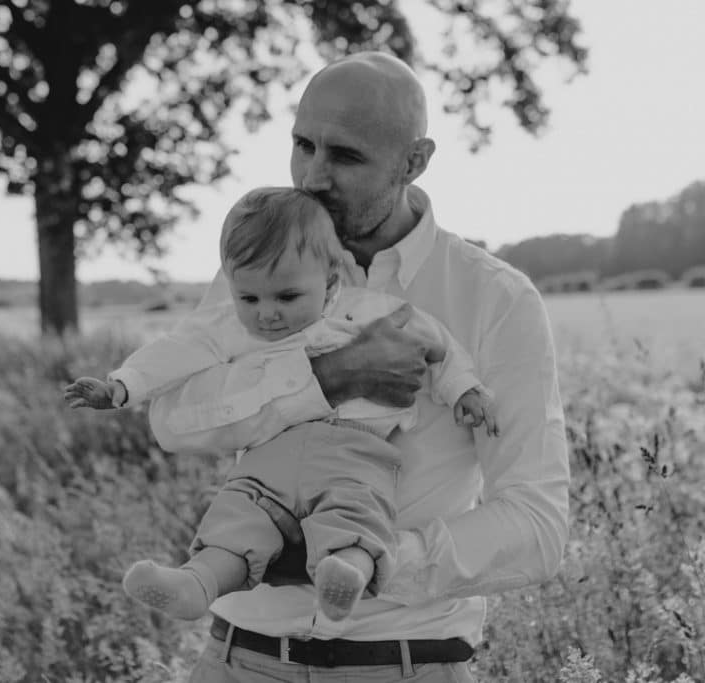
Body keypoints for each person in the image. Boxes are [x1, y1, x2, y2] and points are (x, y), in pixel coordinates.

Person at [145, 52, 569, 681]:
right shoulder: (264, 270)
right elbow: (173, 421)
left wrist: (368, 563)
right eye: (302, 145)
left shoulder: (496, 300)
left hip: (401, 663)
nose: (313, 177)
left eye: (344, 156)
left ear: (415, 161)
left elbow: (538, 525)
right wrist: (328, 378)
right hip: (237, 658)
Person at [64, 186, 498, 623]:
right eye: (248, 298)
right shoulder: (228, 327)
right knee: (239, 517)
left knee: (355, 517)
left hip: (354, 450)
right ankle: (196, 584)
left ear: (331, 282)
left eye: (287, 298)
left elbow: (437, 344)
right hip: (269, 452)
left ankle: (344, 575)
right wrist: (121, 386)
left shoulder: (369, 312)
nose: (266, 314)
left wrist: (464, 388)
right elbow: (175, 352)